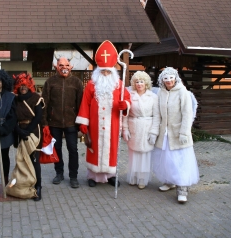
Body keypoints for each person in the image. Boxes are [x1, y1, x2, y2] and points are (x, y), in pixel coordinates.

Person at [76, 40, 131, 187]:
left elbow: (127, 100)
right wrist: (83, 124)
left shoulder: (119, 85)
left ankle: (111, 175)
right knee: (94, 148)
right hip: (95, 124)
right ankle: (93, 176)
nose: (105, 73)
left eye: (108, 71)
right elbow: (85, 104)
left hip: (112, 123)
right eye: (103, 71)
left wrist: (124, 105)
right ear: (98, 71)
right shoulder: (91, 85)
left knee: (111, 149)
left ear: (112, 71)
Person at [152, 67, 199, 203]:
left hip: (178, 134)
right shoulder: (160, 93)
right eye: (165, 79)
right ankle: (170, 182)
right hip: (165, 135)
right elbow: (157, 115)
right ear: (162, 80)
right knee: (167, 160)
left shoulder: (182, 92)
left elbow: (187, 114)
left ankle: (182, 190)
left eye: (171, 78)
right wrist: (154, 132)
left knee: (180, 162)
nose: (169, 81)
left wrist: (184, 132)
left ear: (175, 78)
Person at [42, 57, 84, 188]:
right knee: (57, 149)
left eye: (66, 65)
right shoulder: (50, 82)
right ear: (56, 66)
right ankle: (59, 173)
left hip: (72, 123)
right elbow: (44, 103)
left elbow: (81, 104)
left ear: (71, 67)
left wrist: (80, 122)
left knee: (73, 149)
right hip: (54, 123)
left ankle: (73, 176)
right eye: (61, 65)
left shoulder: (77, 82)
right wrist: (44, 123)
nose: (64, 67)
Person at [122, 71, 159, 189]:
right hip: (134, 126)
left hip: (147, 127)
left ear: (146, 83)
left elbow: (157, 116)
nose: (139, 84)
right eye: (137, 81)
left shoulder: (153, 97)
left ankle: (142, 179)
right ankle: (133, 177)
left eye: (141, 81)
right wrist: (125, 129)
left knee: (145, 155)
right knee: (134, 154)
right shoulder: (130, 96)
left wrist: (154, 132)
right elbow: (125, 114)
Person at [13, 73, 44, 201]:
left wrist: (28, 131)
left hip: (35, 132)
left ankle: (38, 187)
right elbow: (12, 118)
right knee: (23, 160)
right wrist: (19, 131)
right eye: (21, 86)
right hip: (20, 131)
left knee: (34, 159)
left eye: (25, 85)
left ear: (29, 85)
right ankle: (26, 184)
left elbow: (38, 117)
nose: (23, 88)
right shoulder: (14, 100)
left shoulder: (36, 97)